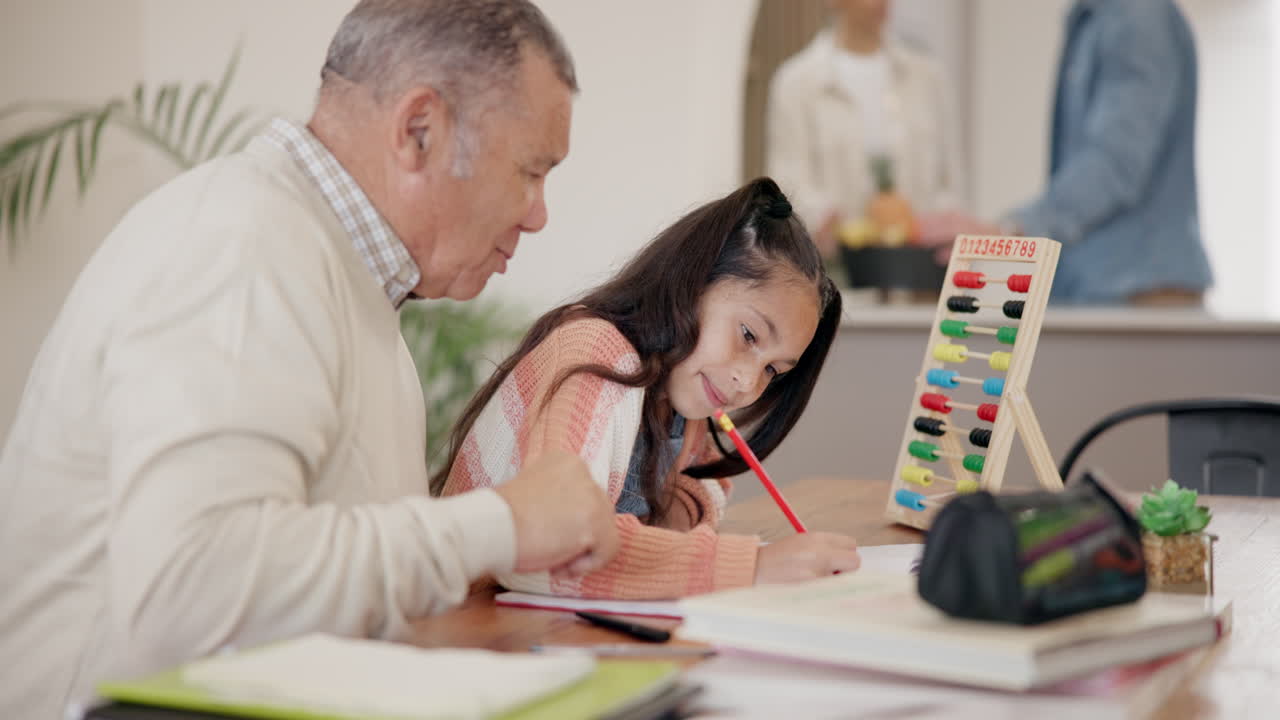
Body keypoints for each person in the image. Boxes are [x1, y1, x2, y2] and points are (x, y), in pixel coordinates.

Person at [0, 2, 623, 717]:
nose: (539, 213)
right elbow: (197, 595)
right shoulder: (241, 244)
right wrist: (501, 524)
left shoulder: (352, 284)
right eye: (531, 171)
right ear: (419, 131)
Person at [435, 178, 862, 599]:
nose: (748, 382)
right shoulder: (598, 355)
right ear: (693, 282)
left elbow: (704, 493)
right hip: (461, 626)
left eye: (773, 370)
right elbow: (552, 555)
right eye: (748, 336)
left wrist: (680, 512)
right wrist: (755, 566)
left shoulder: (685, 398)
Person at [926, 0, 1212, 305]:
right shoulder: (1094, 20)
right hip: (1104, 287)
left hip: (1138, 290)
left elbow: (1115, 163)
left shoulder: (1137, 17)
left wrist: (1008, 231)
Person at [766, 0, 963, 257]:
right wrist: (831, 222)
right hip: (835, 274)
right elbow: (788, 183)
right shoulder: (795, 84)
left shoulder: (928, 78)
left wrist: (934, 229)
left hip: (919, 271)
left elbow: (950, 181)